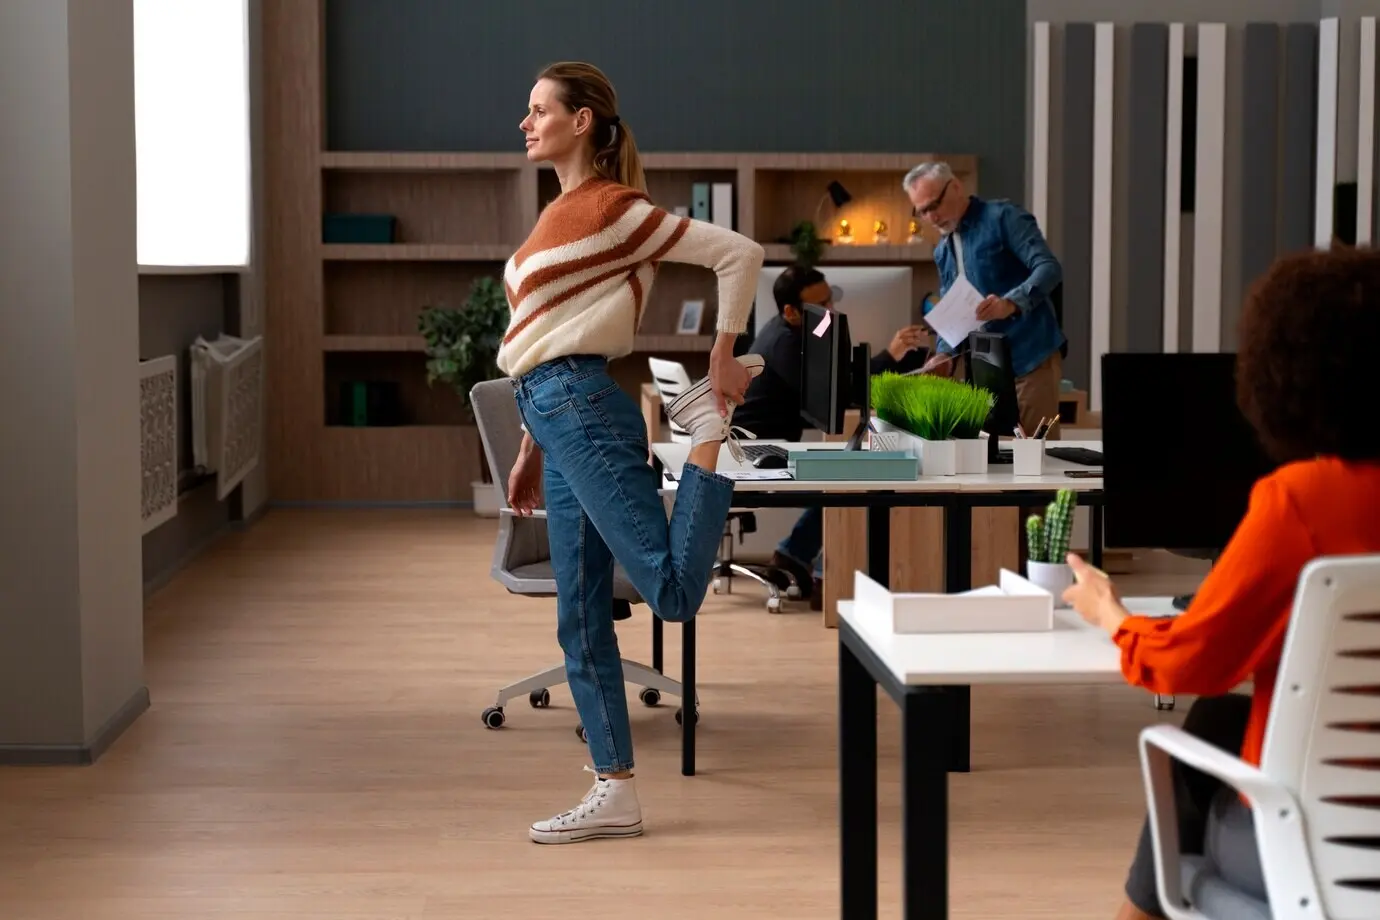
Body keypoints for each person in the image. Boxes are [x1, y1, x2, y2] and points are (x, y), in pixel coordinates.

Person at [1059, 246, 1380, 920]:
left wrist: (1110, 614)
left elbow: (1190, 665)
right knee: (1220, 721)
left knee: (1191, 750)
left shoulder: (1303, 500)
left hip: (1327, 853)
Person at [500, 61, 767, 845]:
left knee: (672, 593)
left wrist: (722, 358)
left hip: (582, 408)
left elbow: (741, 253)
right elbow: (543, 335)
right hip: (554, 414)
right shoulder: (561, 212)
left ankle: (710, 433)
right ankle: (615, 790)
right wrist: (529, 445)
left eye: (538, 109)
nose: (525, 122)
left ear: (581, 121)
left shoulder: (616, 209)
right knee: (579, 617)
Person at [732, 264, 929, 605]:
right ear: (791, 311)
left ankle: (795, 555)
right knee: (850, 476)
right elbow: (843, 392)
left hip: (768, 442)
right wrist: (891, 355)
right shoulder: (786, 345)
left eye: (830, 301)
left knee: (849, 469)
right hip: (759, 451)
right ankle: (825, 572)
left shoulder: (797, 328)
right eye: (821, 306)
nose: (831, 313)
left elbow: (840, 378)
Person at [903, 161, 1066, 438]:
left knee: (1037, 464)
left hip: (1030, 357)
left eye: (934, 205)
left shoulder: (1003, 217)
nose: (930, 218)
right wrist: (943, 354)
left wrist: (1010, 303)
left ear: (955, 187)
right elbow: (951, 307)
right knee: (989, 465)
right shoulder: (942, 250)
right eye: (922, 212)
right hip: (985, 369)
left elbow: (1049, 268)